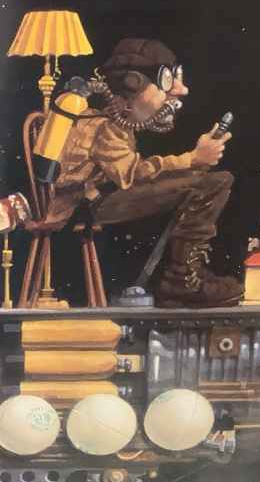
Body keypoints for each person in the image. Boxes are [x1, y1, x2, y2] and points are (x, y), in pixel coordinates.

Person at [42, 38, 243, 307]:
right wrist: (191, 159)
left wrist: (191, 166)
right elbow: (133, 173)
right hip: (82, 207)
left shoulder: (113, 123)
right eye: (167, 80)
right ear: (133, 84)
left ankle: (185, 273)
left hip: (93, 199)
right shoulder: (104, 126)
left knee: (210, 181)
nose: (180, 90)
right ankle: (181, 280)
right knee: (211, 184)